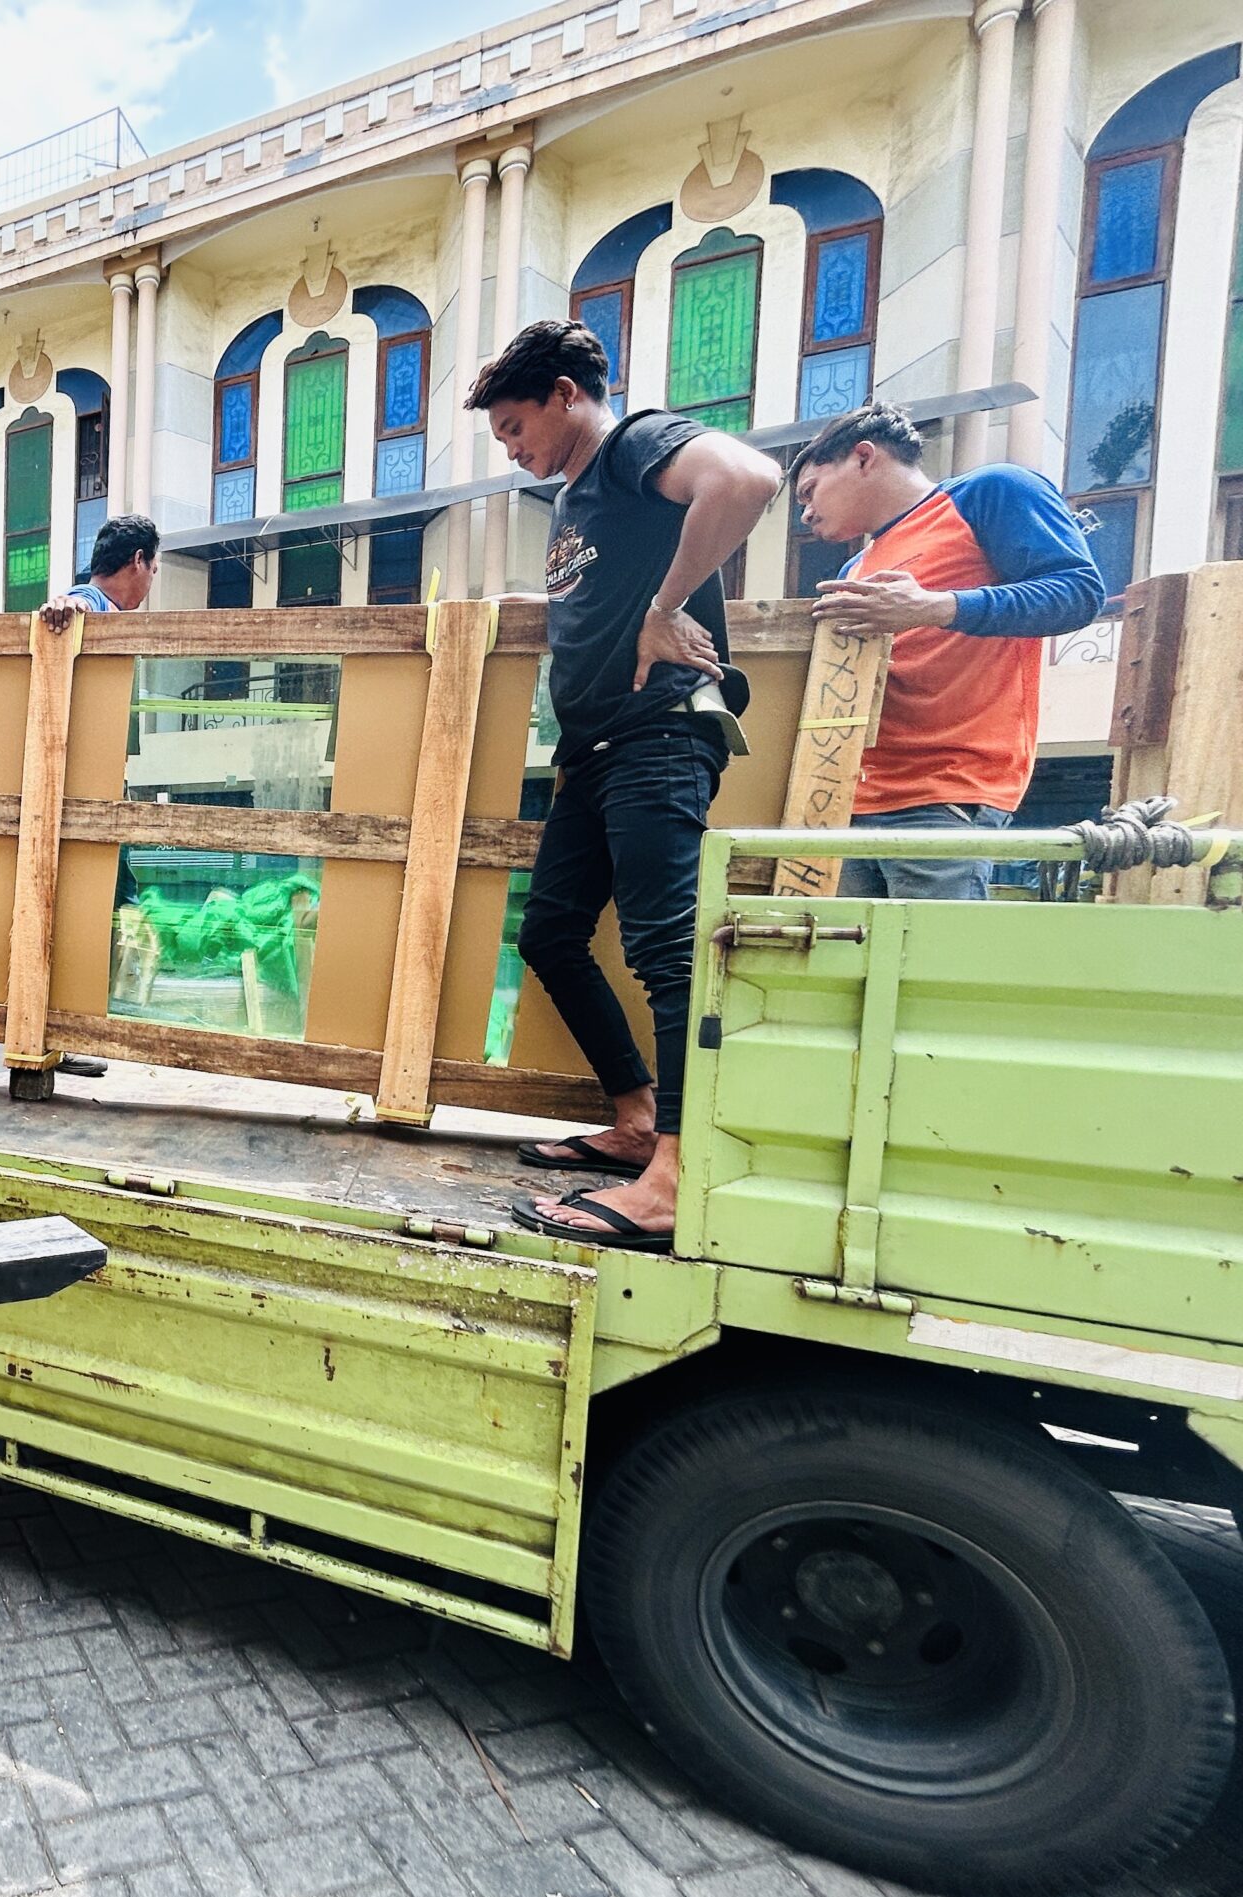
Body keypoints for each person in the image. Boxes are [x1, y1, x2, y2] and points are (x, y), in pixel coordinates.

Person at [467, 320, 781, 1251]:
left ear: (566, 394)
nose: (514, 450)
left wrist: (666, 611)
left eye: (517, 427)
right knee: (552, 933)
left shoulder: (633, 445)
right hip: (596, 753)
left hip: (659, 739)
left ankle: (677, 1176)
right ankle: (638, 1118)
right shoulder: (578, 501)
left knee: (667, 954)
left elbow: (747, 479)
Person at [791, 400, 1107, 898]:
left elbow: (1078, 593)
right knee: (843, 970)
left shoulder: (991, 491)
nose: (807, 513)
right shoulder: (856, 569)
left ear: (864, 457)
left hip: (945, 792)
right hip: (845, 800)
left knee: (922, 968)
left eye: (810, 492)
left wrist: (934, 607)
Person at [39, 514, 159, 631]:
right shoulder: (93, 597)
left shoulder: (109, 608)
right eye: (153, 570)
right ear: (138, 559)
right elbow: (81, 600)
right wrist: (67, 605)